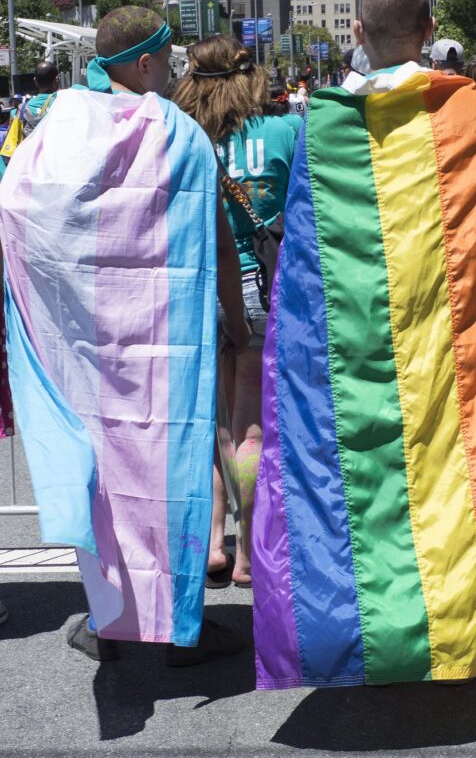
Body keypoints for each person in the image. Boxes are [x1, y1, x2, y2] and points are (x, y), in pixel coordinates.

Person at [251, 0, 476, 689]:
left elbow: (303, 269)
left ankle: (360, 634)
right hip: (458, 348)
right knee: (460, 476)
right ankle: (466, 627)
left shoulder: (320, 124)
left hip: (353, 358)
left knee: (362, 486)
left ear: (356, 35)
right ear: (429, 32)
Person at [0, 7, 249, 664]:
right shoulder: (182, 137)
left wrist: (46, 314)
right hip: (164, 350)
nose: (172, 71)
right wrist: (237, 318)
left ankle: (111, 616)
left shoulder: (58, 131)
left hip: (83, 353)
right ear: (144, 63)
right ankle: (173, 627)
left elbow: (17, 211)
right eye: (167, 59)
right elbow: (216, 241)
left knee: (105, 483)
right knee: (171, 480)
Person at [173, 36, 296, 589]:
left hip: (198, 285)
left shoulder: (180, 135)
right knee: (251, 423)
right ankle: (248, 551)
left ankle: (213, 547)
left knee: (213, 421)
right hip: (259, 285)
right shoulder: (283, 132)